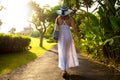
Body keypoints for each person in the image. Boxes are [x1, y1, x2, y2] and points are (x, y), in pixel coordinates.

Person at [54, 5, 79, 78]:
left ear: (61, 11)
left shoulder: (58, 18)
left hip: (61, 37)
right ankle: (65, 69)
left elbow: (55, 29)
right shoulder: (70, 18)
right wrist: (77, 36)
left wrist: (55, 37)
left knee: (62, 53)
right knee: (67, 53)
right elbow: (74, 28)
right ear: (67, 11)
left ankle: (64, 70)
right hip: (68, 36)